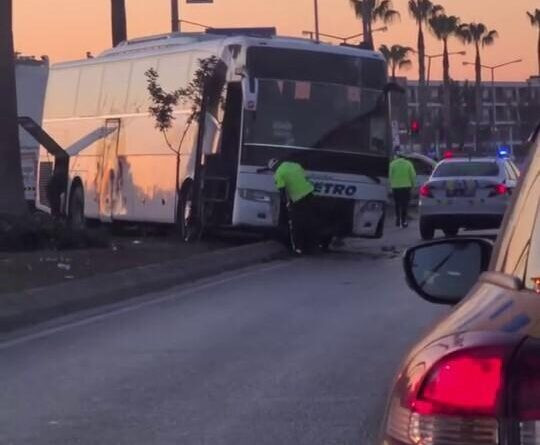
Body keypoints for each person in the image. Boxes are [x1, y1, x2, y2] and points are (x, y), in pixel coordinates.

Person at [268, 158, 316, 254]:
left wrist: (286, 204)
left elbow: (282, 191)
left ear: (273, 168)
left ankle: (298, 249)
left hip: (298, 199)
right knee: (309, 221)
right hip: (310, 195)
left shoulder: (279, 173)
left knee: (296, 224)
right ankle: (312, 246)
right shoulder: (295, 165)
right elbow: (305, 178)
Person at [389, 148, 416, 228]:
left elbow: (390, 176)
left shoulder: (392, 164)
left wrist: (391, 185)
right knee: (405, 204)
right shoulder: (408, 164)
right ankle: (404, 220)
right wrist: (413, 185)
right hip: (406, 187)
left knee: (397, 204)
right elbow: (413, 175)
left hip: (396, 187)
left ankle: (398, 219)